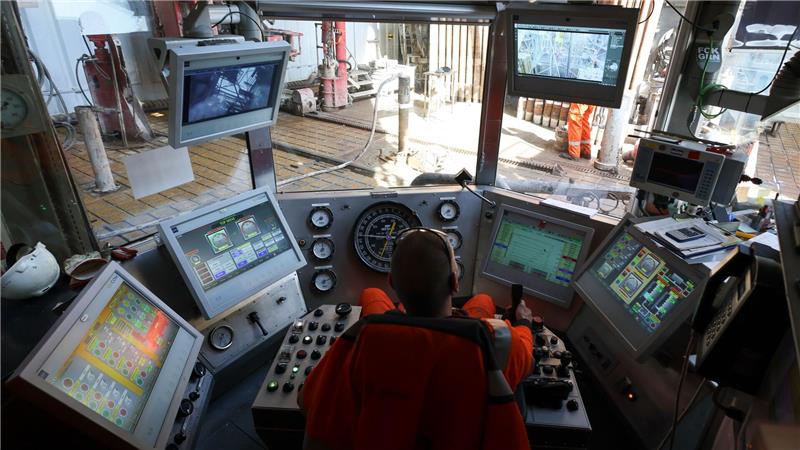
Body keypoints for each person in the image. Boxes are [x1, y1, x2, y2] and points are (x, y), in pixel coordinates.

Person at [300, 227, 534, 450]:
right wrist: (523, 324)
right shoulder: (497, 339)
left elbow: (306, 400)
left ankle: (403, 317)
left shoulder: (361, 336)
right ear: (454, 282)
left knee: (371, 295)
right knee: (483, 300)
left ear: (392, 282)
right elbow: (527, 360)